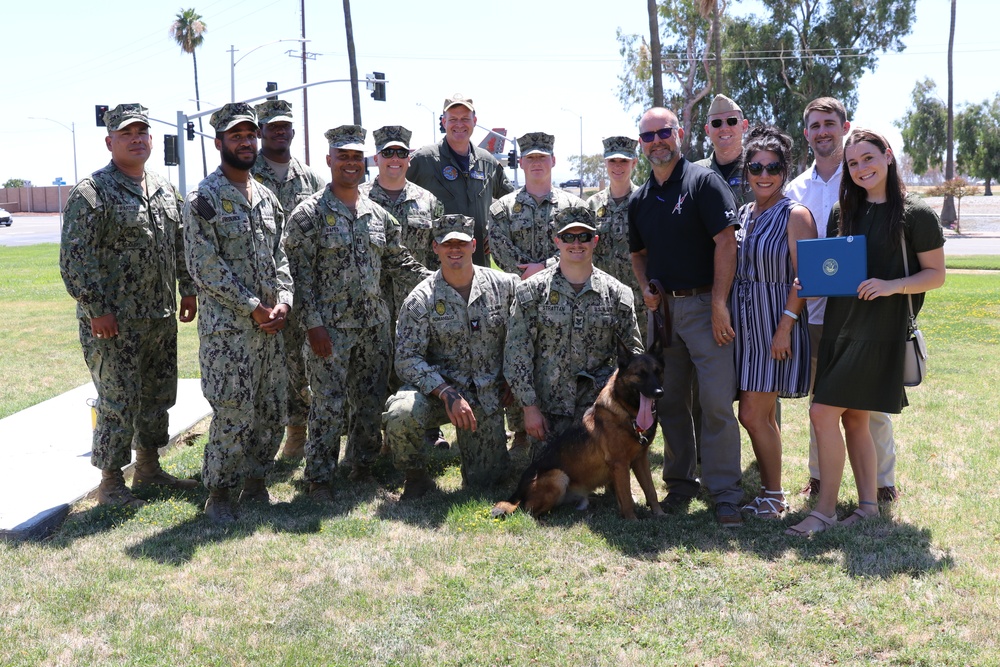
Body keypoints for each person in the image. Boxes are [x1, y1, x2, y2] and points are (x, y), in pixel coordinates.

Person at [786, 129, 945, 536]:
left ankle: (823, 512)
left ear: (888, 156)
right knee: (854, 418)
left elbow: (936, 275)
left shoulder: (916, 214)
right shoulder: (844, 213)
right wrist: (813, 282)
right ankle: (869, 506)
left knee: (822, 412)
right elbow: (836, 269)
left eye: (868, 158)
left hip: (880, 331)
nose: (861, 168)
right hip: (841, 326)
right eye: (853, 163)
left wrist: (891, 285)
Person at [60, 102, 199, 508]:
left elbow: (178, 244)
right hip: (113, 323)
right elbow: (75, 258)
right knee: (118, 401)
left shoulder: (162, 188)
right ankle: (110, 483)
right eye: (127, 133)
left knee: (157, 395)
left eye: (142, 132)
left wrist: (187, 288)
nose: (137, 139)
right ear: (110, 141)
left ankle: (150, 468)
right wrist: (95, 308)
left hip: (158, 317)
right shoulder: (92, 193)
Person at [283, 125, 429, 501]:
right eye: (342, 156)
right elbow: (298, 278)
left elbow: (402, 263)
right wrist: (313, 326)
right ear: (329, 159)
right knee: (327, 403)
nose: (349, 163)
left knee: (369, 400)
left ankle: (361, 467)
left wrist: (446, 277)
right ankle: (319, 479)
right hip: (329, 329)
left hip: (374, 326)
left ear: (364, 162)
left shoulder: (377, 215)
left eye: (355, 157)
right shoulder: (307, 214)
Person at [627, 106, 744, 527]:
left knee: (714, 403)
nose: (656, 141)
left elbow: (726, 244)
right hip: (665, 316)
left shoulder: (703, 182)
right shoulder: (640, 199)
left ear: (679, 133)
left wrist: (718, 303)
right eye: (647, 136)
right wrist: (645, 287)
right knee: (671, 401)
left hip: (703, 307)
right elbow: (638, 255)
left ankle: (726, 492)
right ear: (641, 144)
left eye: (663, 132)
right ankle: (680, 485)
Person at [785, 97, 900, 503]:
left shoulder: (864, 176)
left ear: (844, 126)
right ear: (806, 133)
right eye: (814, 125)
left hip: (865, 312)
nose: (822, 132)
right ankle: (819, 477)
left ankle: (883, 483)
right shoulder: (795, 188)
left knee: (871, 406)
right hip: (815, 314)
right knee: (823, 401)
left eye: (829, 123)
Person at [183, 103, 293, 524]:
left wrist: (283, 299)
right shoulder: (203, 200)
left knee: (270, 410)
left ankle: (256, 481)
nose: (246, 142)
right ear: (219, 143)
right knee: (233, 412)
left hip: (270, 329)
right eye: (236, 136)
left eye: (250, 135)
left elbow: (280, 254)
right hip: (229, 333)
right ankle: (221, 493)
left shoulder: (265, 197)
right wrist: (253, 308)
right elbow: (204, 267)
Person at [384, 214, 518, 497]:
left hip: (486, 395)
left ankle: (522, 448)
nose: (454, 250)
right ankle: (415, 476)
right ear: (435, 248)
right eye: (447, 244)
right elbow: (407, 358)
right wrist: (446, 393)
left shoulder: (505, 287)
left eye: (461, 243)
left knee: (487, 484)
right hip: (438, 396)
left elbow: (522, 337)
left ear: (474, 245)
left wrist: (513, 377)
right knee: (401, 412)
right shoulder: (421, 298)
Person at [505, 207, 642, 456]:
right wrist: (529, 408)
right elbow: (517, 355)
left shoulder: (618, 294)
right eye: (568, 237)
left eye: (584, 236)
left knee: (602, 483)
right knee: (551, 488)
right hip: (549, 411)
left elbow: (634, 357)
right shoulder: (531, 293)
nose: (576, 243)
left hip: (600, 410)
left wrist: (629, 408)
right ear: (557, 240)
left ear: (595, 241)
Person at [729, 126, 816, 519]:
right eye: (756, 167)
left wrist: (785, 326)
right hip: (745, 326)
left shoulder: (795, 214)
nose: (764, 175)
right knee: (759, 414)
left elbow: (806, 278)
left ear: (785, 169)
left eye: (773, 167)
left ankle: (774, 495)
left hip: (775, 324)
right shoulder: (745, 213)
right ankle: (771, 493)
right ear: (746, 170)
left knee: (751, 413)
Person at [362, 125, 447, 450]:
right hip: (372, 307)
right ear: (377, 157)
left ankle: (426, 432)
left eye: (401, 152)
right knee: (372, 374)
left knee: (418, 368)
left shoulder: (428, 202)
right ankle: (374, 442)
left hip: (417, 308)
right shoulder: (360, 199)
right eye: (388, 153)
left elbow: (440, 251)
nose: (394, 159)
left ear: (409, 158)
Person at [251, 99, 327, 460]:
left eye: (285, 126)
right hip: (260, 291)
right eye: (272, 126)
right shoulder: (248, 173)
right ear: (261, 132)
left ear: (293, 131)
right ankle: (258, 439)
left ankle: (297, 433)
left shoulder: (310, 178)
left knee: (300, 363)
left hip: (303, 287)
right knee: (262, 366)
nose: (280, 131)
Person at [407, 94, 513, 267]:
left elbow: (512, 203)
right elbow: (394, 194)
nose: (459, 124)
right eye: (453, 119)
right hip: (436, 267)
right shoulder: (423, 159)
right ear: (444, 122)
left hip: (478, 265)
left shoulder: (487, 162)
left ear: (474, 121)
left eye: (465, 118)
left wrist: (497, 232)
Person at [488, 132, 587, 280]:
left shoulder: (574, 206)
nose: (536, 162)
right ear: (521, 162)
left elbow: (581, 246)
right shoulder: (503, 208)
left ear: (553, 161)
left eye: (542, 157)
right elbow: (500, 250)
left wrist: (545, 267)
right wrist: (528, 273)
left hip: (565, 291)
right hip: (520, 289)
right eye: (530, 158)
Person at [587, 135, 645, 323]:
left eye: (624, 161)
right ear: (605, 162)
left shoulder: (646, 200)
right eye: (613, 160)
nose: (618, 166)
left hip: (640, 302)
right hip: (601, 301)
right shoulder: (592, 205)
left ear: (634, 163)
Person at [694, 94, 750, 207]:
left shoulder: (761, 167)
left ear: (744, 126)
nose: (724, 128)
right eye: (716, 123)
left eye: (732, 121)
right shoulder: (694, 173)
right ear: (707, 130)